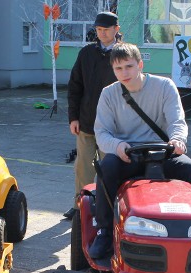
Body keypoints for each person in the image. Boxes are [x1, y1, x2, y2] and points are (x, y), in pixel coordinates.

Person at [89, 43, 191, 259]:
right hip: (127, 154)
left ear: (140, 65)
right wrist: (117, 146)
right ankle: (105, 231)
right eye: (118, 69)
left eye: (129, 66)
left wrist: (178, 140)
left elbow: (177, 120)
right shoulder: (109, 94)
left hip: (162, 153)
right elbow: (102, 133)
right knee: (106, 169)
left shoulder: (164, 86)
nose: (124, 73)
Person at [64, 11, 121, 220]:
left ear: (116, 29)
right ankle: (80, 205)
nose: (102, 33)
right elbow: (75, 86)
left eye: (106, 29)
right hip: (87, 121)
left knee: (109, 169)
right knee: (82, 167)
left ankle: (107, 206)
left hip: (114, 125)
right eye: (98, 30)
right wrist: (73, 117)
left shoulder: (124, 54)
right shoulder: (86, 53)